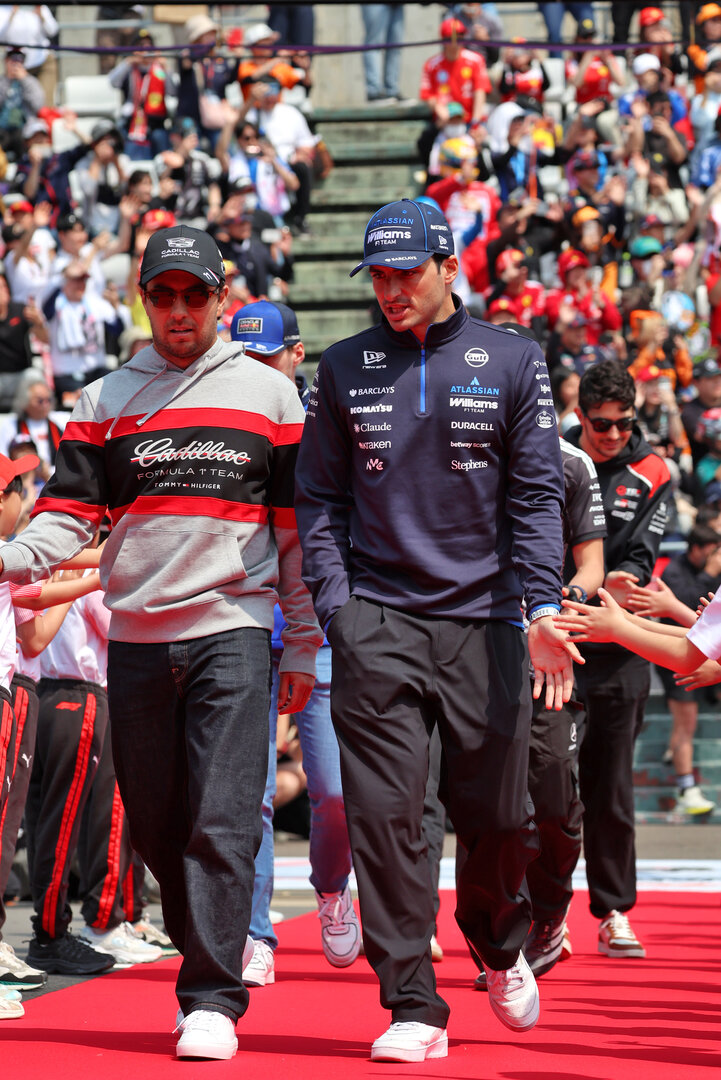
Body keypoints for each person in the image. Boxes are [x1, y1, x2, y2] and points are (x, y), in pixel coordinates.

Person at [0, 224, 323, 1060]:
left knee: (221, 819)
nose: (178, 310)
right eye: (162, 294)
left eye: (194, 294)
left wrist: (300, 645)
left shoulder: (270, 396)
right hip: (137, 639)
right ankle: (202, 949)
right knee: (154, 825)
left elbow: (294, 539)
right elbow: (65, 517)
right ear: (143, 299)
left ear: (221, 297)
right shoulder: (105, 399)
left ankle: (210, 995)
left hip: (235, 631)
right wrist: (4, 558)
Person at [294, 198, 580, 1063]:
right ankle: (410, 1002)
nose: (389, 290)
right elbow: (319, 500)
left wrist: (539, 608)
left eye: (404, 272)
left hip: (488, 621)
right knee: (384, 818)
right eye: (376, 276)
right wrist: (338, 606)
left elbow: (535, 498)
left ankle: (498, 946)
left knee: (496, 817)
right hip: (375, 618)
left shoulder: (513, 360)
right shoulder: (342, 368)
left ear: (448, 267)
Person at [229, 300, 357, 986]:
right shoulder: (221, 419)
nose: (253, 370)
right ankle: (255, 933)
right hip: (246, 624)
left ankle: (332, 888)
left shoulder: (327, 423)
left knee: (334, 793)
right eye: (242, 357)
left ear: (296, 354)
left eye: (266, 356)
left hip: (320, 625)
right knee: (244, 791)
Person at [563, 360, 672, 961]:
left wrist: (621, 581)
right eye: (600, 424)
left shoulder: (653, 469)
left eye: (623, 424)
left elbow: (643, 553)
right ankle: (547, 915)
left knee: (610, 789)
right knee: (547, 786)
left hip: (624, 646)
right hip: (558, 642)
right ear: (580, 416)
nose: (612, 435)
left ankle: (613, 911)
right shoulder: (549, 455)